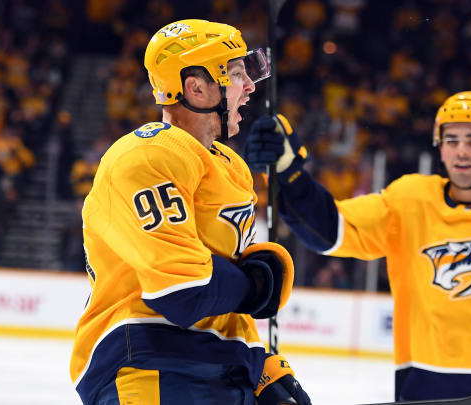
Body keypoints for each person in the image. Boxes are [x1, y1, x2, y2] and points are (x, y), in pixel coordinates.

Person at [245, 91, 471, 405]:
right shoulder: (411, 201)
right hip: (424, 386)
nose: (461, 151)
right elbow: (330, 230)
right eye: (451, 140)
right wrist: (290, 174)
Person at [70, 20, 311, 405]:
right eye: (235, 73)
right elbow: (183, 291)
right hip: (151, 365)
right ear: (196, 87)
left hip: (221, 369)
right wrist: (254, 286)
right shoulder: (147, 155)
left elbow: (221, 295)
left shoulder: (231, 166)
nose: (249, 86)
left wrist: (261, 367)